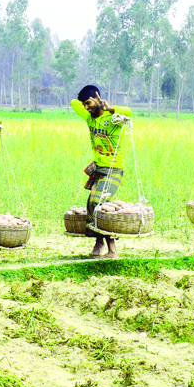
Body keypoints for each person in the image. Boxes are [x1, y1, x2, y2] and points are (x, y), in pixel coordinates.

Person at [71, 85, 132, 259]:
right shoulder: (88, 117)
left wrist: (109, 107)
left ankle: (112, 250)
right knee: (92, 204)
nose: (86, 107)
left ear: (98, 97)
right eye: (85, 104)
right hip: (98, 169)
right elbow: (73, 103)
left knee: (98, 203)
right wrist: (88, 102)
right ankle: (99, 244)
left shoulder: (114, 118)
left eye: (89, 103)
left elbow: (128, 112)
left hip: (114, 170)